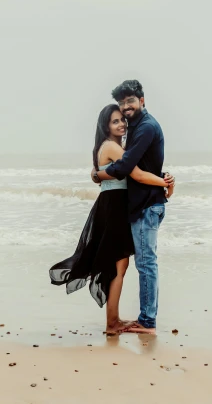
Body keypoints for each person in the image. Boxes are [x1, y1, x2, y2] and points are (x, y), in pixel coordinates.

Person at [49, 104, 174, 335]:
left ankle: (113, 319)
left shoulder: (112, 147)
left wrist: (98, 174)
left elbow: (98, 174)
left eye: (122, 120)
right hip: (115, 206)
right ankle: (112, 323)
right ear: (105, 125)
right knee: (118, 265)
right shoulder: (112, 147)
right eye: (115, 121)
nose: (121, 124)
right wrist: (164, 181)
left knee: (118, 264)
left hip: (113, 204)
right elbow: (135, 174)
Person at [92, 80, 172, 335]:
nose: (126, 108)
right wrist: (163, 181)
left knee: (144, 263)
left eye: (130, 101)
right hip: (140, 205)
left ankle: (147, 322)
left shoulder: (145, 128)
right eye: (122, 103)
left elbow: (129, 169)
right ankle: (132, 320)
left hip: (147, 205)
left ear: (142, 100)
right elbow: (132, 165)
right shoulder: (134, 130)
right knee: (133, 264)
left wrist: (99, 175)